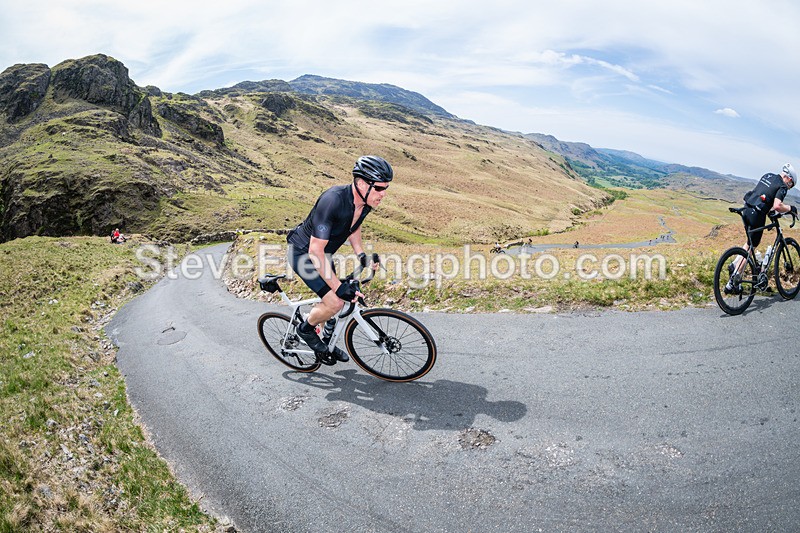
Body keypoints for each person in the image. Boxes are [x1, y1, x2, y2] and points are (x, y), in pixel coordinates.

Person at [286, 155, 392, 362]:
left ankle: (325, 342)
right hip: (303, 253)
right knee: (335, 302)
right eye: (379, 188)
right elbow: (315, 252)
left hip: (323, 254)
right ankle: (305, 329)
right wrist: (337, 287)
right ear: (361, 183)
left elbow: (354, 226)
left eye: (386, 188)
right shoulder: (333, 200)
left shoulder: (364, 202)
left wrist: (361, 254)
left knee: (337, 297)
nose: (383, 194)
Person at [728, 163, 798, 287]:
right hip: (757, 213)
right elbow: (777, 205)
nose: (789, 187)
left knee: (750, 243)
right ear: (789, 179)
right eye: (790, 185)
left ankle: (735, 263)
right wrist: (791, 208)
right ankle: (735, 278)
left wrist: (770, 211)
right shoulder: (782, 186)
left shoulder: (768, 176)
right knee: (753, 245)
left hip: (747, 209)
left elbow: (765, 195)